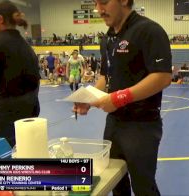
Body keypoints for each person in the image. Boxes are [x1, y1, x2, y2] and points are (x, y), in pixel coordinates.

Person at [74, 0, 171, 195]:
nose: (99, 10)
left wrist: (119, 98)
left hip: (142, 125)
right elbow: (105, 77)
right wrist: (89, 98)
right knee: (116, 184)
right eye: (96, 4)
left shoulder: (149, 30)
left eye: (104, 2)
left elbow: (163, 76)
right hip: (114, 124)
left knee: (144, 187)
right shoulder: (108, 38)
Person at [0, 0, 40, 147]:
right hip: (31, 106)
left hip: (8, 110)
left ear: (0, 18)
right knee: (28, 148)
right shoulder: (27, 46)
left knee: (9, 152)